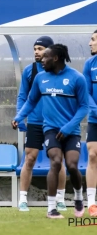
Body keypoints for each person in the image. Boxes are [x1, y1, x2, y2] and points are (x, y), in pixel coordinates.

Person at [12, 44, 88, 219]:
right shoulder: (40, 78)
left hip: (71, 131)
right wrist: (19, 116)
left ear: (55, 58)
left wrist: (69, 127)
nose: (41, 60)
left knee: (72, 165)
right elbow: (31, 101)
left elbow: (84, 107)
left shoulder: (77, 78)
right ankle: (51, 208)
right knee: (55, 161)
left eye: (45, 57)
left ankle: (78, 196)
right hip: (50, 129)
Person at [16, 36, 67, 212]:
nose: (36, 52)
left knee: (57, 160)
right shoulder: (29, 71)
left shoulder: (61, 72)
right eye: (35, 48)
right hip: (35, 122)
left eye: (40, 49)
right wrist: (20, 117)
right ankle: (22, 199)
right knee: (29, 159)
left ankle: (60, 199)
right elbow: (23, 96)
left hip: (55, 123)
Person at [82, 30, 97, 217]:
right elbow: (85, 93)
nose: (89, 43)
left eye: (93, 39)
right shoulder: (89, 64)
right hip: (95, 119)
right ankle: (92, 203)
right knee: (92, 156)